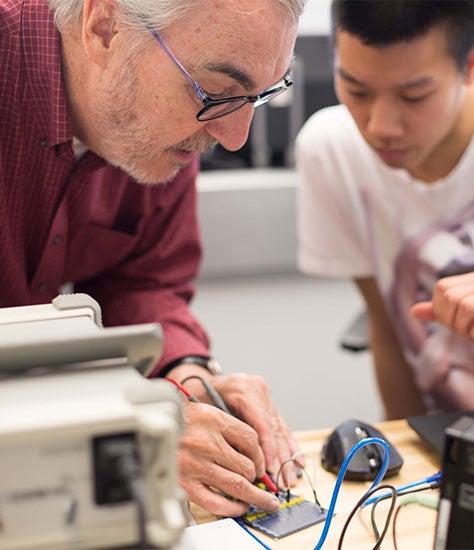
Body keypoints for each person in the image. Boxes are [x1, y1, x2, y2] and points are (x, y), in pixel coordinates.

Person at [1, 0, 305, 516]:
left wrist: (186, 377)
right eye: (216, 92)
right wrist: (120, 428)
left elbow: (144, 283)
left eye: (260, 95)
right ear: (104, 27)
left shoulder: (159, 128)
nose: (235, 138)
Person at [296, 0, 474, 420]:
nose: (381, 126)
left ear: (473, 62)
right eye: (356, 90)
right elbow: (389, 331)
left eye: (413, 96)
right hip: (451, 439)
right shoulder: (331, 151)